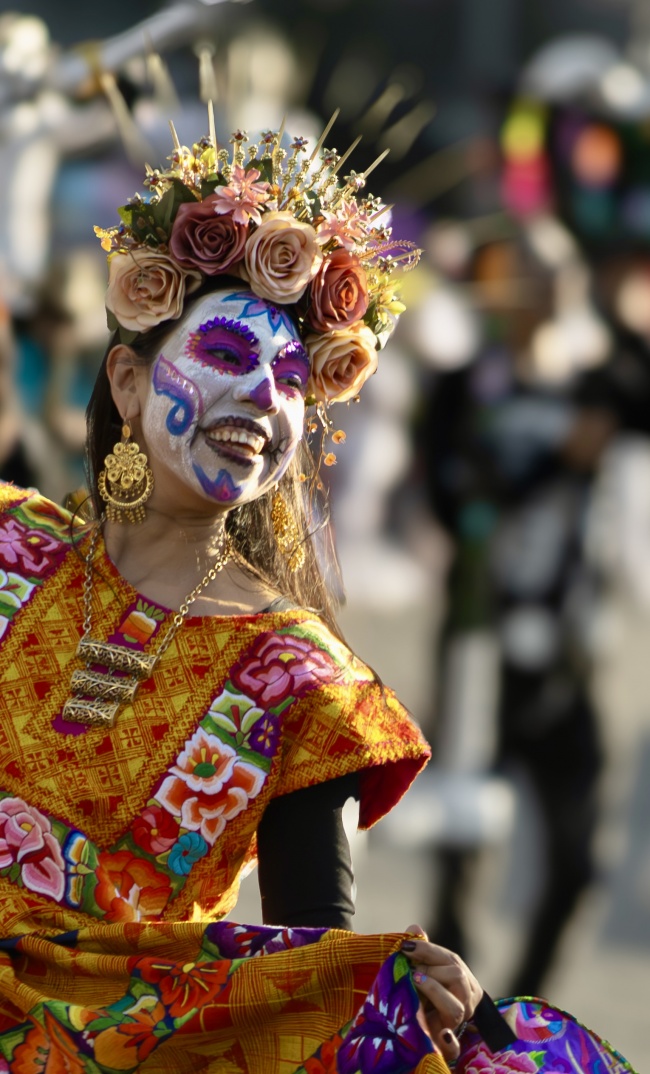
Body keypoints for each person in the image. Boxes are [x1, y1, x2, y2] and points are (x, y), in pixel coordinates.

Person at [0, 117, 487, 1074]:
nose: (264, 397)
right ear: (131, 382)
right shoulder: (12, 552)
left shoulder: (305, 684)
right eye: (228, 353)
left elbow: (304, 972)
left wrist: (398, 1005)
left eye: (293, 379)